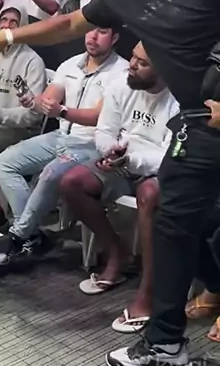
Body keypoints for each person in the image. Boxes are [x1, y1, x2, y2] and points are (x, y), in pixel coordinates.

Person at [0, 0, 220, 366]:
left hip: (212, 116)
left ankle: (166, 341)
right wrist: (8, 36)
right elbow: (68, 22)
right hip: (199, 126)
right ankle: (170, 338)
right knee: (181, 222)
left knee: (181, 223)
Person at [60, 43, 178, 326]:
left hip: (157, 169)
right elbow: (104, 131)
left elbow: (169, 157)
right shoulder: (122, 84)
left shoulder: (179, 100)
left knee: (149, 194)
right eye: (133, 57)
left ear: (163, 69)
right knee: (72, 182)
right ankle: (117, 252)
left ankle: (149, 290)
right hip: (122, 161)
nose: (132, 65)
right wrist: (111, 151)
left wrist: (131, 159)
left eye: (142, 63)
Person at [0, 28, 127, 274]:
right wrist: (34, 101)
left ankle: (17, 236)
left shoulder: (121, 72)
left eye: (102, 32)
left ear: (115, 37)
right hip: (61, 136)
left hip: (92, 144)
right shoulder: (70, 64)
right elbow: (49, 99)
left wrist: (62, 111)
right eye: (90, 30)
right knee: (6, 162)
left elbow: (100, 117)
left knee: (51, 173)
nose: (93, 37)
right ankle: (32, 235)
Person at [0, 5, 46, 229]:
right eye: (3, 20)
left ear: (23, 26)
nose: (6, 25)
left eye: (14, 22)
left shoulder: (32, 61)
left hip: (21, 131)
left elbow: (33, 115)